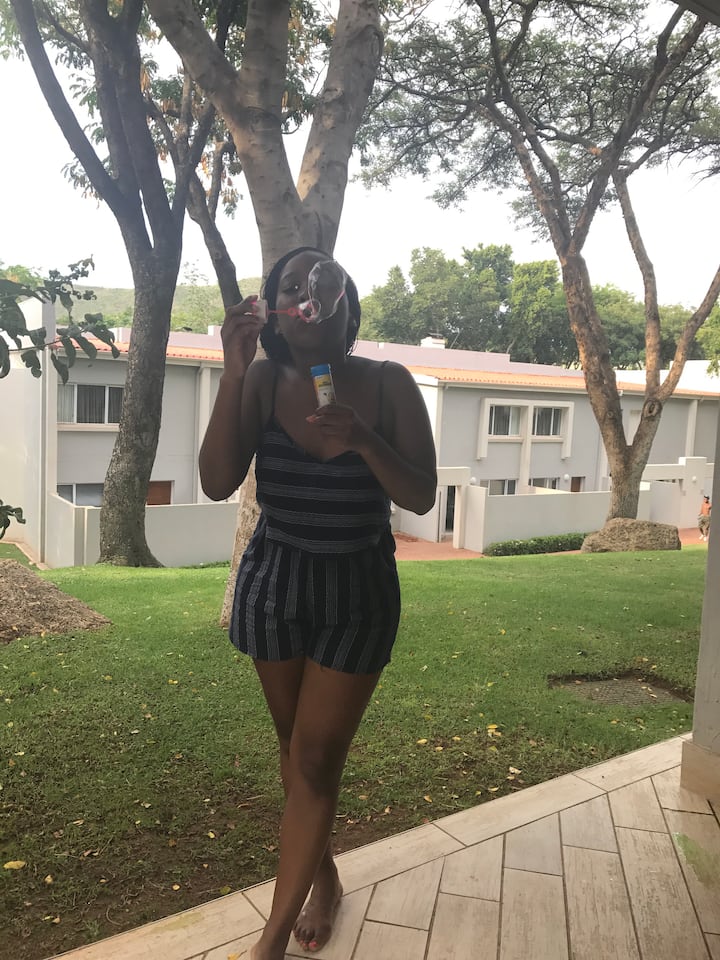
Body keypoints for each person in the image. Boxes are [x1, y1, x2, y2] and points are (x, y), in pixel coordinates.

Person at [199, 247, 437, 960]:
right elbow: (216, 480)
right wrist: (234, 369)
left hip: (357, 592)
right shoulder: (263, 380)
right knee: (295, 749)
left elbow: (420, 494)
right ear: (273, 314)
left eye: (322, 281)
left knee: (312, 758)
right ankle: (324, 877)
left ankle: (270, 940)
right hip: (275, 584)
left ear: (345, 306)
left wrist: (363, 439)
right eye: (291, 284)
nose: (307, 291)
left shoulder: (389, 384)